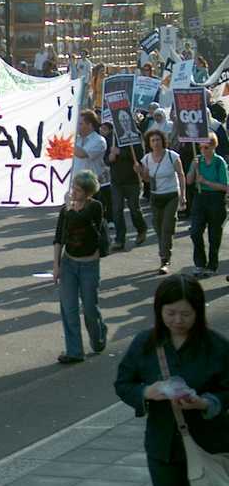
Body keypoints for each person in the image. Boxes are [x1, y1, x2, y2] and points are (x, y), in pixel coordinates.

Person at [115, 275, 229, 486]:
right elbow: (123, 383)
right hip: (163, 450)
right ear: (159, 311)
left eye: (186, 314)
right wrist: (146, 392)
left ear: (198, 312)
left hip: (208, 448)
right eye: (170, 313)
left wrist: (206, 403)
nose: (178, 320)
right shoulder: (145, 343)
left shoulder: (216, 346)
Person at [52, 170, 107, 364]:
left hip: (89, 264)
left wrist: (69, 209)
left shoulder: (95, 207)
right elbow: (58, 238)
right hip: (69, 263)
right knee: (69, 308)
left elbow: (81, 219)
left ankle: (98, 335)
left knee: (90, 308)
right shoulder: (66, 210)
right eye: (73, 188)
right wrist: (56, 265)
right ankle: (74, 351)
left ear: (88, 192)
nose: (73, 192)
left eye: (78, 190)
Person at [136, 130, 187, 274]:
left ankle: (165, 259)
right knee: (158, 228)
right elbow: (146, 179)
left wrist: (183, 196)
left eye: (158, 139)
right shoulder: (147, 158)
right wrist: (140, 171)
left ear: (163, 141)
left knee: (167, 227)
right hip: (155, 196)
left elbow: (181, 175)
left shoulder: (172, 156)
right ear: (149, 143)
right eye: (152, 140)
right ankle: (164, 253)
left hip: (171, 195)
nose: (156, 143)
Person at [187, 133, 228, 277]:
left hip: (216, 199)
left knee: (214, 235)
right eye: (201, 147)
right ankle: (199, 263)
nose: (203, 150)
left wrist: (206, 182)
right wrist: (193, 167)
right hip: (200, 197)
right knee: (195, 232)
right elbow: (189, 181)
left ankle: (212, 265)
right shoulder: (198, 160)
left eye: (206, 147)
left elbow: (225, 186)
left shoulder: (219, 162)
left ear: (213, 146)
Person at [105, 123, 148, 251]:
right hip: (116, 180)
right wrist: (109, 158)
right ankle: (119, 239)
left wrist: (121, 152)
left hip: (132, 180)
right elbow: (105, 159)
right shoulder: (110, 137)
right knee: (117, 210)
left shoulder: (134, 134)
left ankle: (141, 229)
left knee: (134, 208)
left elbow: (140, 156)